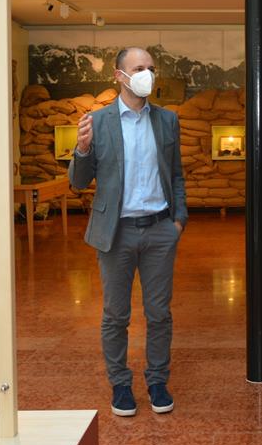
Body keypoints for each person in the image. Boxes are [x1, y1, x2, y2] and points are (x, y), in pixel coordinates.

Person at [69, 47, 187, 417]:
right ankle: (120, 384)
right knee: (116, 315)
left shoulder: (167, 120)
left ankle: (157, 381)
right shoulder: (98, 121)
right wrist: (82, 149)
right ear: (119, 76)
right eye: (138, 69)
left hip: (159, 230)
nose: (147, 74)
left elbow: (176, 173)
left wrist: (178, 220)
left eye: (151, 68)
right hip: (115, 233)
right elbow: (78, 182)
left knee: (159, 313)